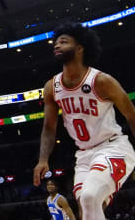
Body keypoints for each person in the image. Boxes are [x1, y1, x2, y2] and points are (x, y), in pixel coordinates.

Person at [34, 23, 135, 220]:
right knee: (85, 209)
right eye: (56, 42)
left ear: (80, 48)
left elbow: (132, 115)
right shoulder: (51, 87)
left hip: (113, 147)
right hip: (83, 155)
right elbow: (49, 127)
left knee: (89, 198)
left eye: (64, 42)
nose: (57, 45)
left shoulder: (101, 81)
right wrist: (43, 159)